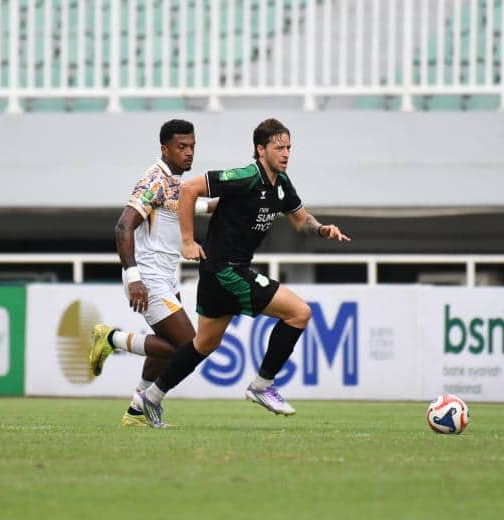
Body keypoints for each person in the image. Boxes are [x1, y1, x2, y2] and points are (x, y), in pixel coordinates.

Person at [133, 118, 351, 428]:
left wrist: (322, 230)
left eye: (289, 147)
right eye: (279, 147)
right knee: (299, 313)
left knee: (203, 344)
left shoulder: (282, 184)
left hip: (217, 274)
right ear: (261, 150)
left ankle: (150, 398)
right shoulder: (247, 176)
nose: (286, 153)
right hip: (227, 271)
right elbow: (189, 189)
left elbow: (301, 220)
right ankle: (262, 385)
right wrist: (187, 240)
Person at [88, 119, 216, 427]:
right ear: (165, 148)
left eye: (192, 147)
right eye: (181, 147)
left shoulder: (175, 185)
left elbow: (201, 206)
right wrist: (134, 277)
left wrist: (251, 198)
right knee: (188, 347)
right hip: (147, 278)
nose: (188, 153)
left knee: (166, 347)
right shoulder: (154, 181)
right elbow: (123, 225)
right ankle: (113, 339)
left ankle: (136, 412)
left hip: (166, 278)